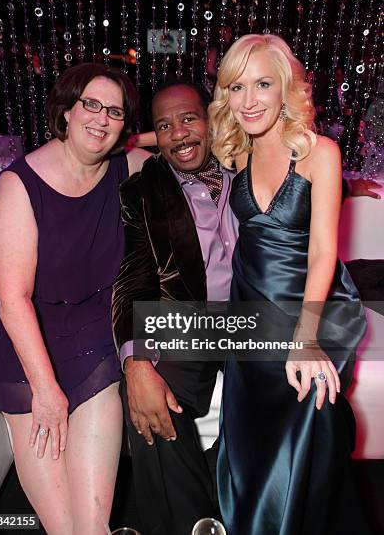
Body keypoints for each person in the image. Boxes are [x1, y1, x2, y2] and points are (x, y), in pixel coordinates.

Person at [209, 34, 370, 535]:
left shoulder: (320, 152)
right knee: (253, 443)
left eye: (263, 84)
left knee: (309, 422)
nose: (249, 100)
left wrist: (305, 338)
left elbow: (325, 251)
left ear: (286, 89)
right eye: (236, 87)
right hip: (251, 313)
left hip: (311, 309)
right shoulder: (233, 156)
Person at [0, 63, 146, 534]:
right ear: (67, 111)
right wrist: (47, 391)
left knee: (92, 526)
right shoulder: (18, 186)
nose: (101, 118)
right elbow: (13, 300)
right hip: (20, 336)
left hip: (90, 333)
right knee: (63, 527)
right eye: (91, 104)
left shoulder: (123, 166)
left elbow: (179, 147)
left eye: (114, 111)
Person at [112, 81, 239, 535]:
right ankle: (196, 524)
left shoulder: (245, 165)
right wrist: (137, 361)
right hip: (188, 320)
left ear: (211, 119)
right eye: (164, 126)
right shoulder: (142, 191)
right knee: (149, 401)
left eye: (189, 119)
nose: (179, 134)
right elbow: (133, 279)